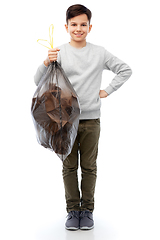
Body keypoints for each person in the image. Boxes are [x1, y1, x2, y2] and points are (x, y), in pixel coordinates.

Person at [34, 4, 132, 231]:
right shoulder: (58, 51)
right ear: (66, 27)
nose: (78, 29)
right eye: (74, 25)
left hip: (90, 120)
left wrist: (107, 90)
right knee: (69, 167)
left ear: (90, 27)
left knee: (88, 166)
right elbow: (37, 80)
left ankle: (87, 211)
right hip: (64, 121)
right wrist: (46, 62)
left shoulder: (99, 52)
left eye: (83, 25)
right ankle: (72, 211)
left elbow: (125, 69)